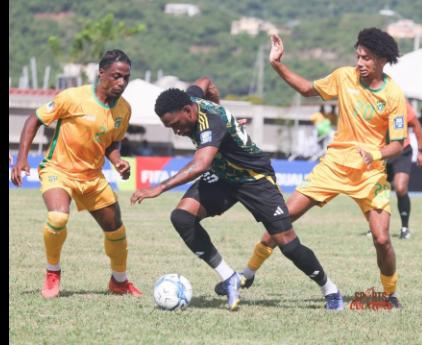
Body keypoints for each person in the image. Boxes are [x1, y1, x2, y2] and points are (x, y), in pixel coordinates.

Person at [215, 28, 407, 308]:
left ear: (381, 59)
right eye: (357, 57)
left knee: (381, 239)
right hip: (333, 167)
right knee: (280, 219)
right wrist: (277, 64)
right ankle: (247, 275)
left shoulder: (393, 95)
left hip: (369, 175)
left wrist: (375, 152)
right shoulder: (344, 77)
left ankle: (390, 293)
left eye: (365, 58)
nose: (359, 63)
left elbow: (399, 145)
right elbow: (307, 89)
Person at [130, 76, 343, 311]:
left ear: (188, 110)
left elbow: (200, 165)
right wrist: (227, 117)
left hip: (254, 178)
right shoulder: (190, 98)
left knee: (287, 244)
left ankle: (330, 289)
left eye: (176, 124)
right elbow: (207, 81)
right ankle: (229, 277)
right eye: (170, 127)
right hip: (223, 176)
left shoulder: (210, 121)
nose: (177, 131)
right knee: (182, 217)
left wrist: (159, 187)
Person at [11, 49, 142, 299]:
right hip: (58, 170)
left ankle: (119, 281)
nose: (121, 83)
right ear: (101, 73)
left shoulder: (124, 109)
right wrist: (22, 158)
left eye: (126, 78)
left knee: (116, 230)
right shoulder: (73, 97)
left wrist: (118, 162)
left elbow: (112, 142)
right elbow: (34, 119)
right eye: (116, 76)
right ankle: (53, 272)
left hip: (92, 177)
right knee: (58, 218)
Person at [367, 99, 422, 239]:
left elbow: (416, 125)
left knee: (400, 188)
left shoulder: (400, 101)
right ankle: (375, 227)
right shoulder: (369, 100)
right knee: (375, 190)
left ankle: (404, 228)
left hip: (401, 150)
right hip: (380, 152)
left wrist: (421, 151)